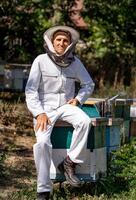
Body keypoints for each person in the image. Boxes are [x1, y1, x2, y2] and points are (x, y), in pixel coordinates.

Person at [25, 25, 95, 200]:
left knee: (85, 122)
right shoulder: (40, 60)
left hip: (66, 106)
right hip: (45, 109)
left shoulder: (75, 62)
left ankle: (70, 161)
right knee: (42, 143)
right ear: (51, 41)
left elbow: (89, 84)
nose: (61, 43)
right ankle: (43, 190)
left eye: (65, 40)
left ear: (70, 44)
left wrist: (78, 100)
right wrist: (38, 113)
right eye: (58, 40)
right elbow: (31, 90)